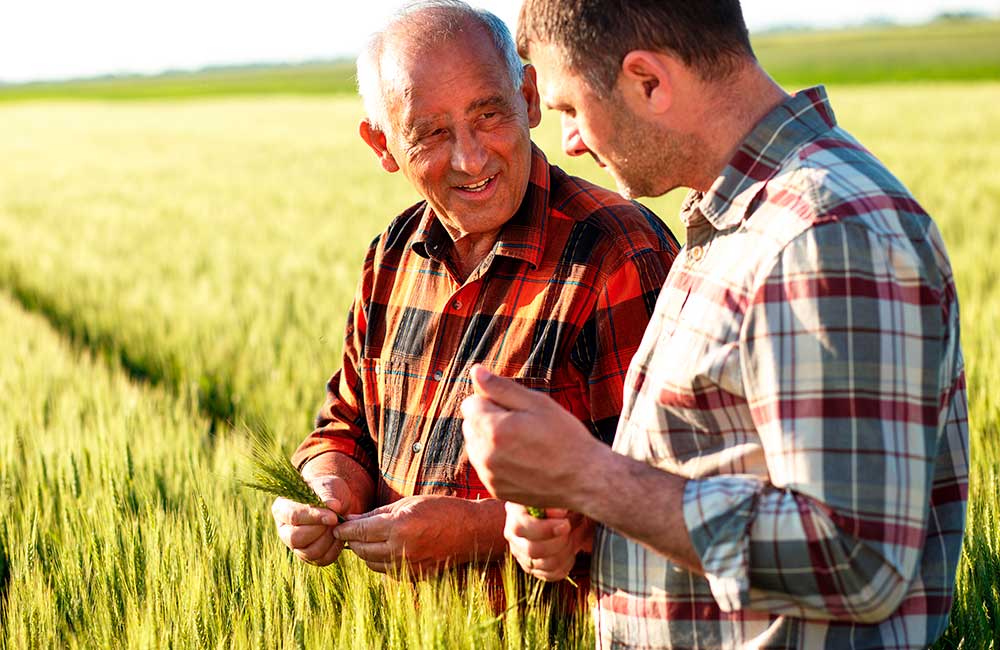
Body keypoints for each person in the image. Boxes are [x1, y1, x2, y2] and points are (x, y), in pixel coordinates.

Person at [461, 1, 969, 647]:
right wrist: (594, 518)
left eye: (568, 109)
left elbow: (854, 561)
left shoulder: (825, 234)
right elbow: (729, 471)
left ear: (648, 80)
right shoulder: (740, 220)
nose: (570, 143)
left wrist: (593, 476)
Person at [270, 0, 679, 586]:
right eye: (431, 133)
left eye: (489, 114)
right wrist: (328, 486)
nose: (471, 157)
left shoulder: (617, 254)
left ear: (530, 98)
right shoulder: (393, 253)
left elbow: (663, 498)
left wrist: (473, 532)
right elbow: (347, 423)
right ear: (382, 145)